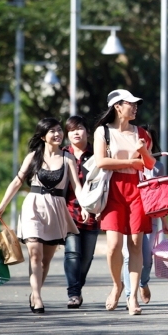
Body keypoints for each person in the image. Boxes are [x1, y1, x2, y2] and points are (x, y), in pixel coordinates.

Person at [0, 118, 89, 314]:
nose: (57, 134)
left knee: (46, 260)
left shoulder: (67, 158)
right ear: (43, 136)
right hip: (34, 206)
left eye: (59, 130)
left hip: (56, 209)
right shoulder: (33, 157)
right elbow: (17, 182)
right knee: (35, 253)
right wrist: (2, 205)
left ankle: (35, 291)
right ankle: (36, 296)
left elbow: (76, 187)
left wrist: (85, 207)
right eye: (52, 131)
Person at [94, 89, 168, 316]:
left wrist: (144, 152)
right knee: (114, 246)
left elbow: (148, 165)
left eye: (137, 104)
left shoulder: (141, 133)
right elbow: (100, 161)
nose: (136, 107)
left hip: (138, 191)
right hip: (114, 190)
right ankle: (117, 285)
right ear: (117, 106)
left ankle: (132, 296)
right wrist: (130, 161)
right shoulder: (103, 132)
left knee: (136, 244)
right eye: (131, 103)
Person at [121, 125, 168, 306]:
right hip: (131, 214)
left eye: (146, 140)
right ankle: (129, 295)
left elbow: (162, 198)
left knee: (147, 258)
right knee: (129, 255)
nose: (142, 143)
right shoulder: (128, 162)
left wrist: (165, 221)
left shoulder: (158, 167)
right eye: (139, 140)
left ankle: (143, 282)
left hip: (151, 216)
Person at [62, 115, 100, 309]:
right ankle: (74, 293)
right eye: (71, 130)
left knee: (86, 257)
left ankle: (77, 286)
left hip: (93, 212)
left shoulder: (97, 154)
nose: (76, 133)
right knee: (72, 253)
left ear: (87, 131)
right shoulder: (61, 154)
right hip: (68, 211)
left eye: (79, 128)